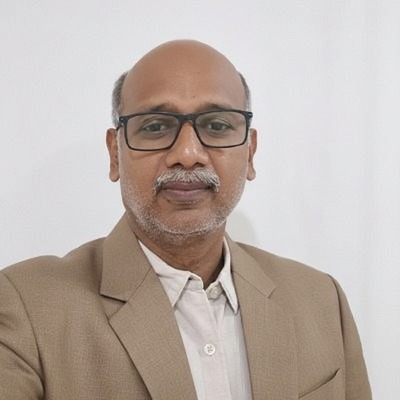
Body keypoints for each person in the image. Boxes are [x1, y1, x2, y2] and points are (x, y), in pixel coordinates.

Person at [0, 40, 371, 400]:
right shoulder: (26, 307)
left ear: (250, 153)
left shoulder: (321, 300)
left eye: (217, 125)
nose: (188, 153)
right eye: (155, 126)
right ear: (115, 154)